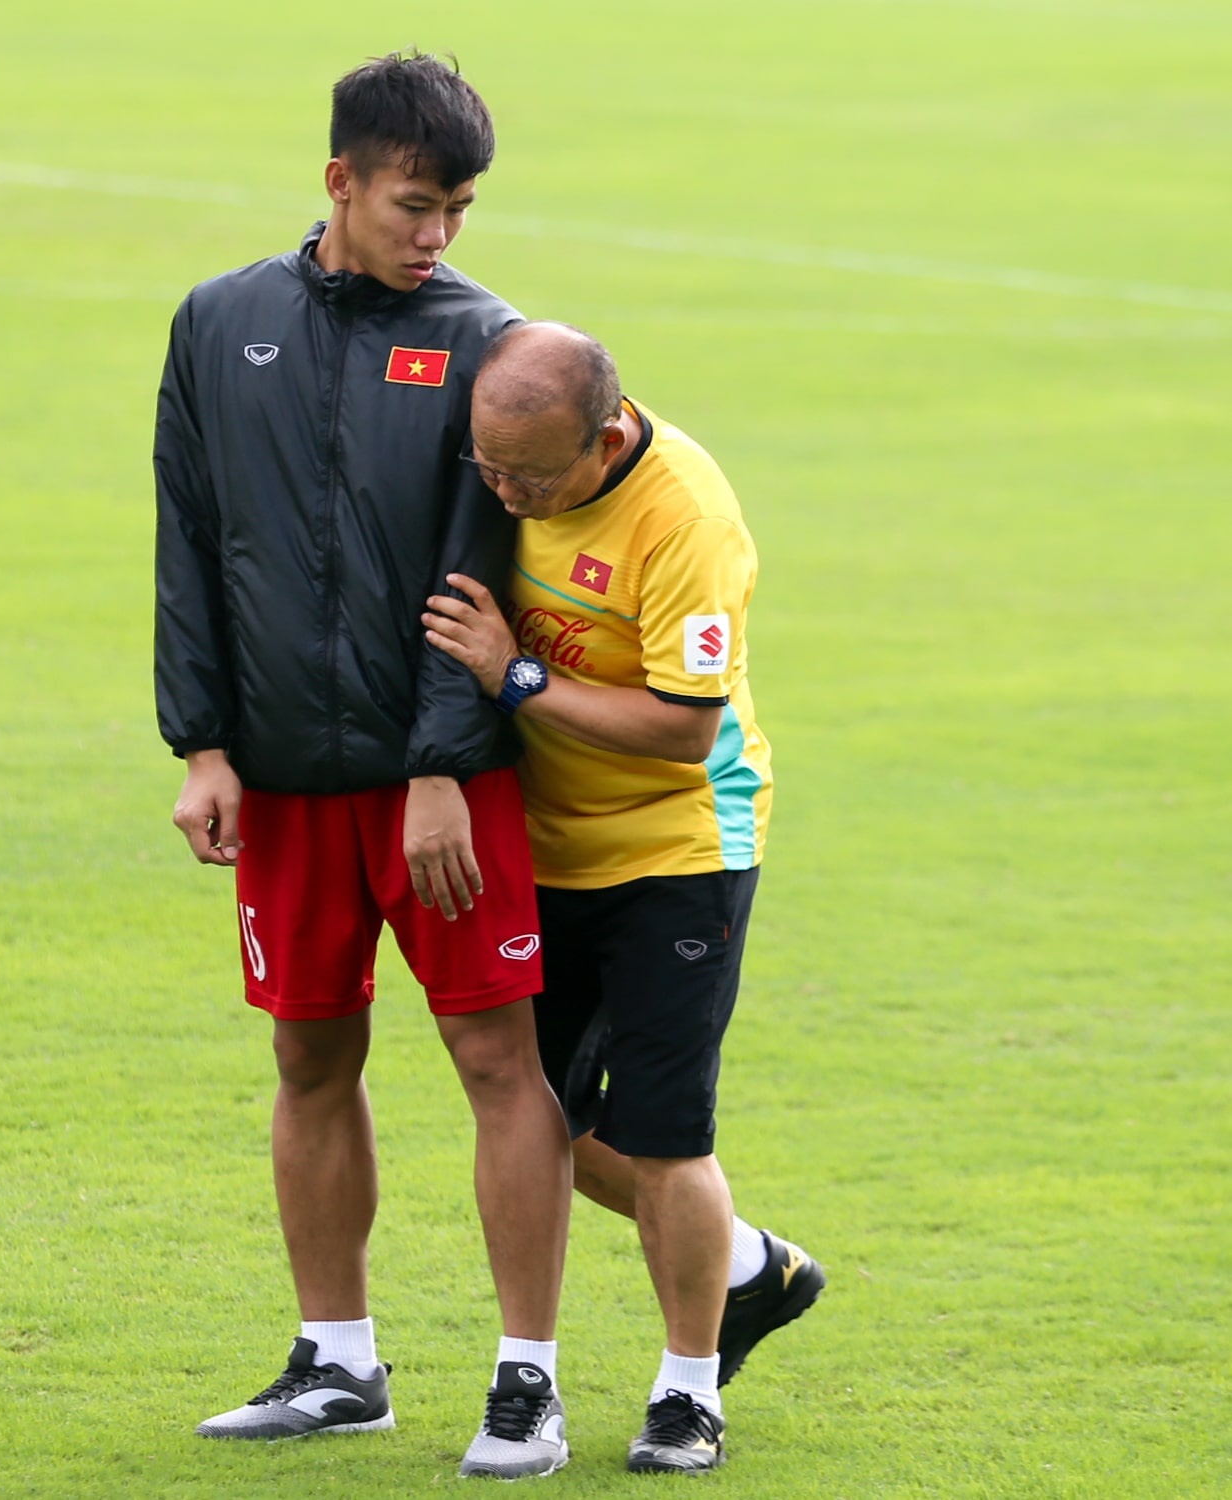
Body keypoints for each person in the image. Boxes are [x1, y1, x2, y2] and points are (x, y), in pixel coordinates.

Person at [153, 56, 572, 1480]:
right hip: (277, 778)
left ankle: (527, 1381)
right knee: (306, 1051)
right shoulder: (217, 324)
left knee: (492, 1056)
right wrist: (201, 743)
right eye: (414, 202)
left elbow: (480, 568)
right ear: (338, 181)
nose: (438, 232)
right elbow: (190, 545)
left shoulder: (482, 342)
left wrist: (443, 766)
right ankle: (337, 1364)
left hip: (437, 786)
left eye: (457, 207)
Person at [422, 321, 825, 1474]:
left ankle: (687, 1392)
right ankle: (749, 1269)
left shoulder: (685, 519)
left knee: (661, 1134)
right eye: (487, 470)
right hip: (534, 848)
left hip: (676, 850)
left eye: (531, 479)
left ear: (604, 438)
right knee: (534, 1115)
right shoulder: (504, 464)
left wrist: (512, 674)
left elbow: (679, 733)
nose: (505, 496)